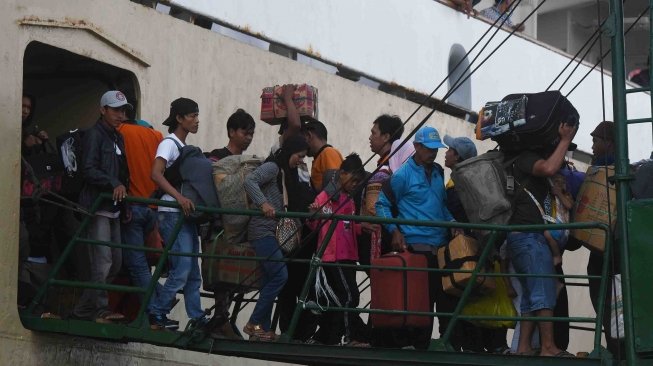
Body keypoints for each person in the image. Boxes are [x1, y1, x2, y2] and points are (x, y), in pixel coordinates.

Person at [375, 125, 462, 350]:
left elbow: (441, 206)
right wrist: (394, 230)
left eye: (436, 149)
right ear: (416, 147)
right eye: (429, 148)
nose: (433, 153)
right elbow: (381, 204)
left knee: (438, 301)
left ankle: (429, 345)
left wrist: (453, 223)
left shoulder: (437, 172)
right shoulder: (403, 174)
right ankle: (411, 346)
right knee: (418, 301)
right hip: (416, 247)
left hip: (440, 248)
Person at [505, 121, 577, 357]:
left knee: (530, 295)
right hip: (529, 238)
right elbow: (547, 168)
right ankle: (548, 347)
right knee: (544, 292)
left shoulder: (522, 160)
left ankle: (524, 347)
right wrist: (565, 140)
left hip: (528, 238)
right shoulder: (525, 159)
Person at [242, 135, 309, 341]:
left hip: (270, 232)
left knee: (269, 279)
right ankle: (253, 323)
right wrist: (263, 204)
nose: (300, 160)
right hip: (263, 231)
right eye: (299, 155)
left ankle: (263, 328)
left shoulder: (285, 172)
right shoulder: (272, 167)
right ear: (290, 151)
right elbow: (249, 180)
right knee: (280, 275)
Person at [147, 98, 207, 330]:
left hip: (184, 214)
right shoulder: (169, 144)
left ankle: (197, 316)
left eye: (197, 115)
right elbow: (156, 174)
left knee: (192, 271)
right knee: (182, 268)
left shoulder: (182, 146)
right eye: (191, 116)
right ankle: (157, 312)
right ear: (179, 119)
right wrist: (180, 198)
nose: (196, 120)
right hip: (172, 212)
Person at [72, 90, 131, 323]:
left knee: (115, 262)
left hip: (114, 208)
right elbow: (88, 169)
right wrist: (113, 182)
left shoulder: (118, 137)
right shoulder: (94, 135)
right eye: (115, 110)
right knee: (103, 260)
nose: (120, 115)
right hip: (96, 207)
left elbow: (123, 174)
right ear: (102, 110)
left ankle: (84, 309)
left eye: (123, 110)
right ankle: (99, 309)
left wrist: (125, 204)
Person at [204, 108, 256, 340]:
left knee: (231, 275)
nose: (249, 137)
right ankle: (221, 321)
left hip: (237, 226)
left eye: (251, 133)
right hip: (217, 224)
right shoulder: (216, 157)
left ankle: (222, 320)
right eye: (245, 132)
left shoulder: (247, 162)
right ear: (231, 131)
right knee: (219, 275)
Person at [307, 153, 369, 346]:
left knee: (341, 300)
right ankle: (350, 337)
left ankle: (325, 337)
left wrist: (365, 226)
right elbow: (314, 222)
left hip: (348, 256)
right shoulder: (326, 197)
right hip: (333, 257)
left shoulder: (349, 201)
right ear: (342, 174)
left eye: (358, 182)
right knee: (349, 297)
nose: (355, 185)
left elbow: (350, 226)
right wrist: (313, 214)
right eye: (353, 180)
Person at [116, 117, 164, 313]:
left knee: (136, 265)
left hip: (133, 207)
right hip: (152, 209)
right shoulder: (157, 136)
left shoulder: (121, 132)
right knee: (141, 263)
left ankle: (157, 305)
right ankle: (160, 296)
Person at [363, 114, 404, 259]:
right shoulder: (396, 165)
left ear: (386, 137)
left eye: (374, 133)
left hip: (385, 236)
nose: (370, 137)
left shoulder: (385, 170)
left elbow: (373, 209)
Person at [303, 120, 343, 191]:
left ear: (309, 136)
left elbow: (335, 185)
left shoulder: (328, 152)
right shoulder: (320, 156)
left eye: (303, 139)